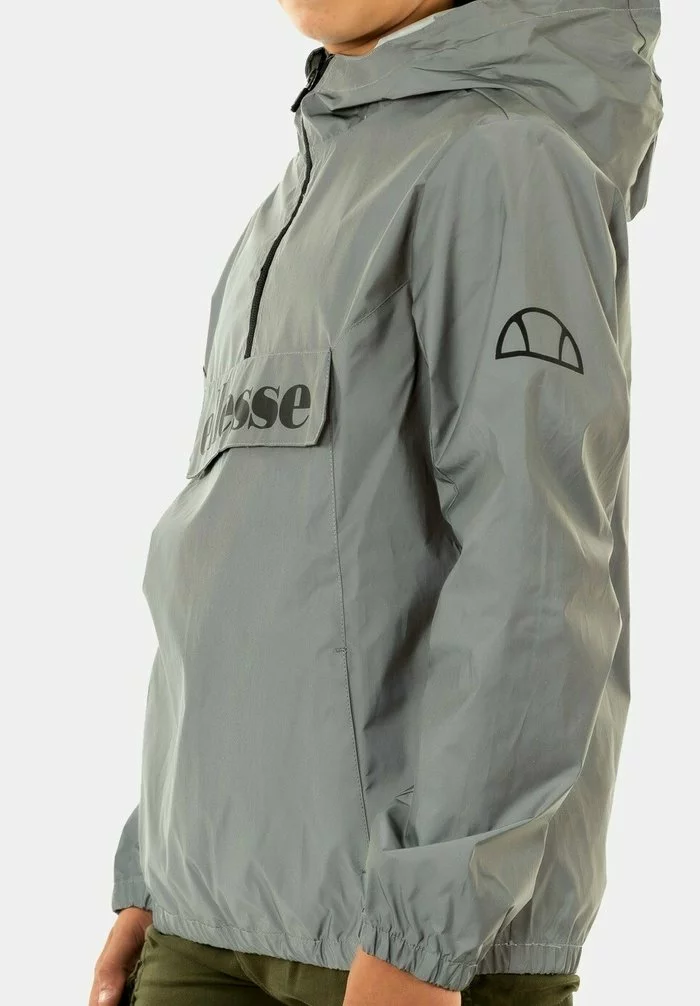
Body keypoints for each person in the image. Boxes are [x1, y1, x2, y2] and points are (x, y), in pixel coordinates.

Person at [89, 1, 663, 1004]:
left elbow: (534, 576)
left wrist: (420, 939)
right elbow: (225, 565)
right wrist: (155, 864)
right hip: (202, 920)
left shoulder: (507, 160)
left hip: (402, 953)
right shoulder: (308, 186)